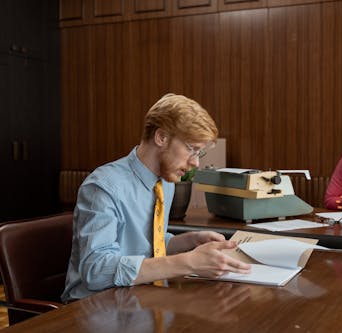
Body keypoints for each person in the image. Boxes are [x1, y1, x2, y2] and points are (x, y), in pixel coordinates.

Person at [62, 93, 251, 302]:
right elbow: (96, 271)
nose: (196, 163)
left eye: (199, 153)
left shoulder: (164, 183)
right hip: (94, 307)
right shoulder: (102, 188)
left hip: (138, 298)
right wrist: (189, 262)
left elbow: (146, 246)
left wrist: (189, 241)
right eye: (192, 149)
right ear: (161, 137)